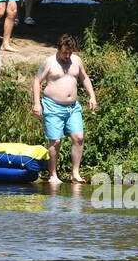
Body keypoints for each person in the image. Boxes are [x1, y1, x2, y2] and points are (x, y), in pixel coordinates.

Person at [33, 35, 97, 185]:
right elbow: (37, 80)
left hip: (73, 107)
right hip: (52, 105)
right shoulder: (49, 62)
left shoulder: (76, 60)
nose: (67, 56)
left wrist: (92, 97)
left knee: (79, 138)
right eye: (64, 53)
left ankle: (75, 173)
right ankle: (53, 175)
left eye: (70, 53)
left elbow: (84, 77)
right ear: (58, 49)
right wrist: (37, 103)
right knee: (55, 141)